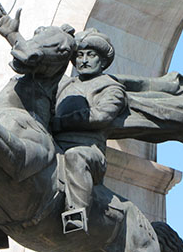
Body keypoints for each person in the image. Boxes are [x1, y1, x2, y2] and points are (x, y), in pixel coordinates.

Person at [53, 29, 128, 233]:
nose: (84, 60)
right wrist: (12, 36)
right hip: (55, 145)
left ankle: (76, 216)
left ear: (102, 61)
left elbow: (102, 115)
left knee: (75, 156)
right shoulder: (63, 85)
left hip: (88, 151)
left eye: (91, 55)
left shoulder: (111, 88)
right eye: (79, 55)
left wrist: (61, 123)